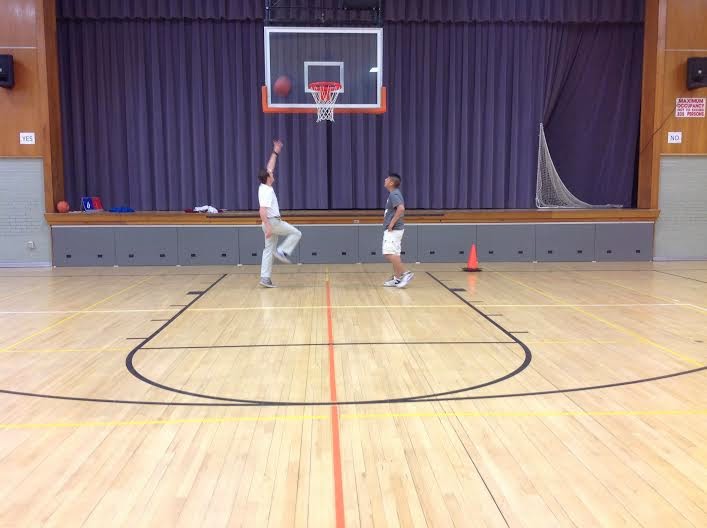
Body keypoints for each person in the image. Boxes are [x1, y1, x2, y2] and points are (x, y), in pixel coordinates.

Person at [258, 139, 301, 288]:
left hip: (270, 223)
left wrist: (275, 152)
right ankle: (282, 251)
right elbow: (262, 210)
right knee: (296, 233)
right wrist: (269, 227)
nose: (272, 173)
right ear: (267, 178)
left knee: (268, 250)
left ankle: (265, 278)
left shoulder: (264, 186)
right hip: (272, 222)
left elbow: (270, 166)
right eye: (270, 174)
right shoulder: (267, 191)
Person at [382, 173, 414, 288]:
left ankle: (406, 273)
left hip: (394, 229)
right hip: (396, 230)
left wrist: (391, 223)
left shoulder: (394, 194)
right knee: (395, 254)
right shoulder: (394, 193)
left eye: (387, 179)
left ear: (391, 183)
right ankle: (397, 278)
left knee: (388, 253)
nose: (385, 180)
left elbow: (401, 208)